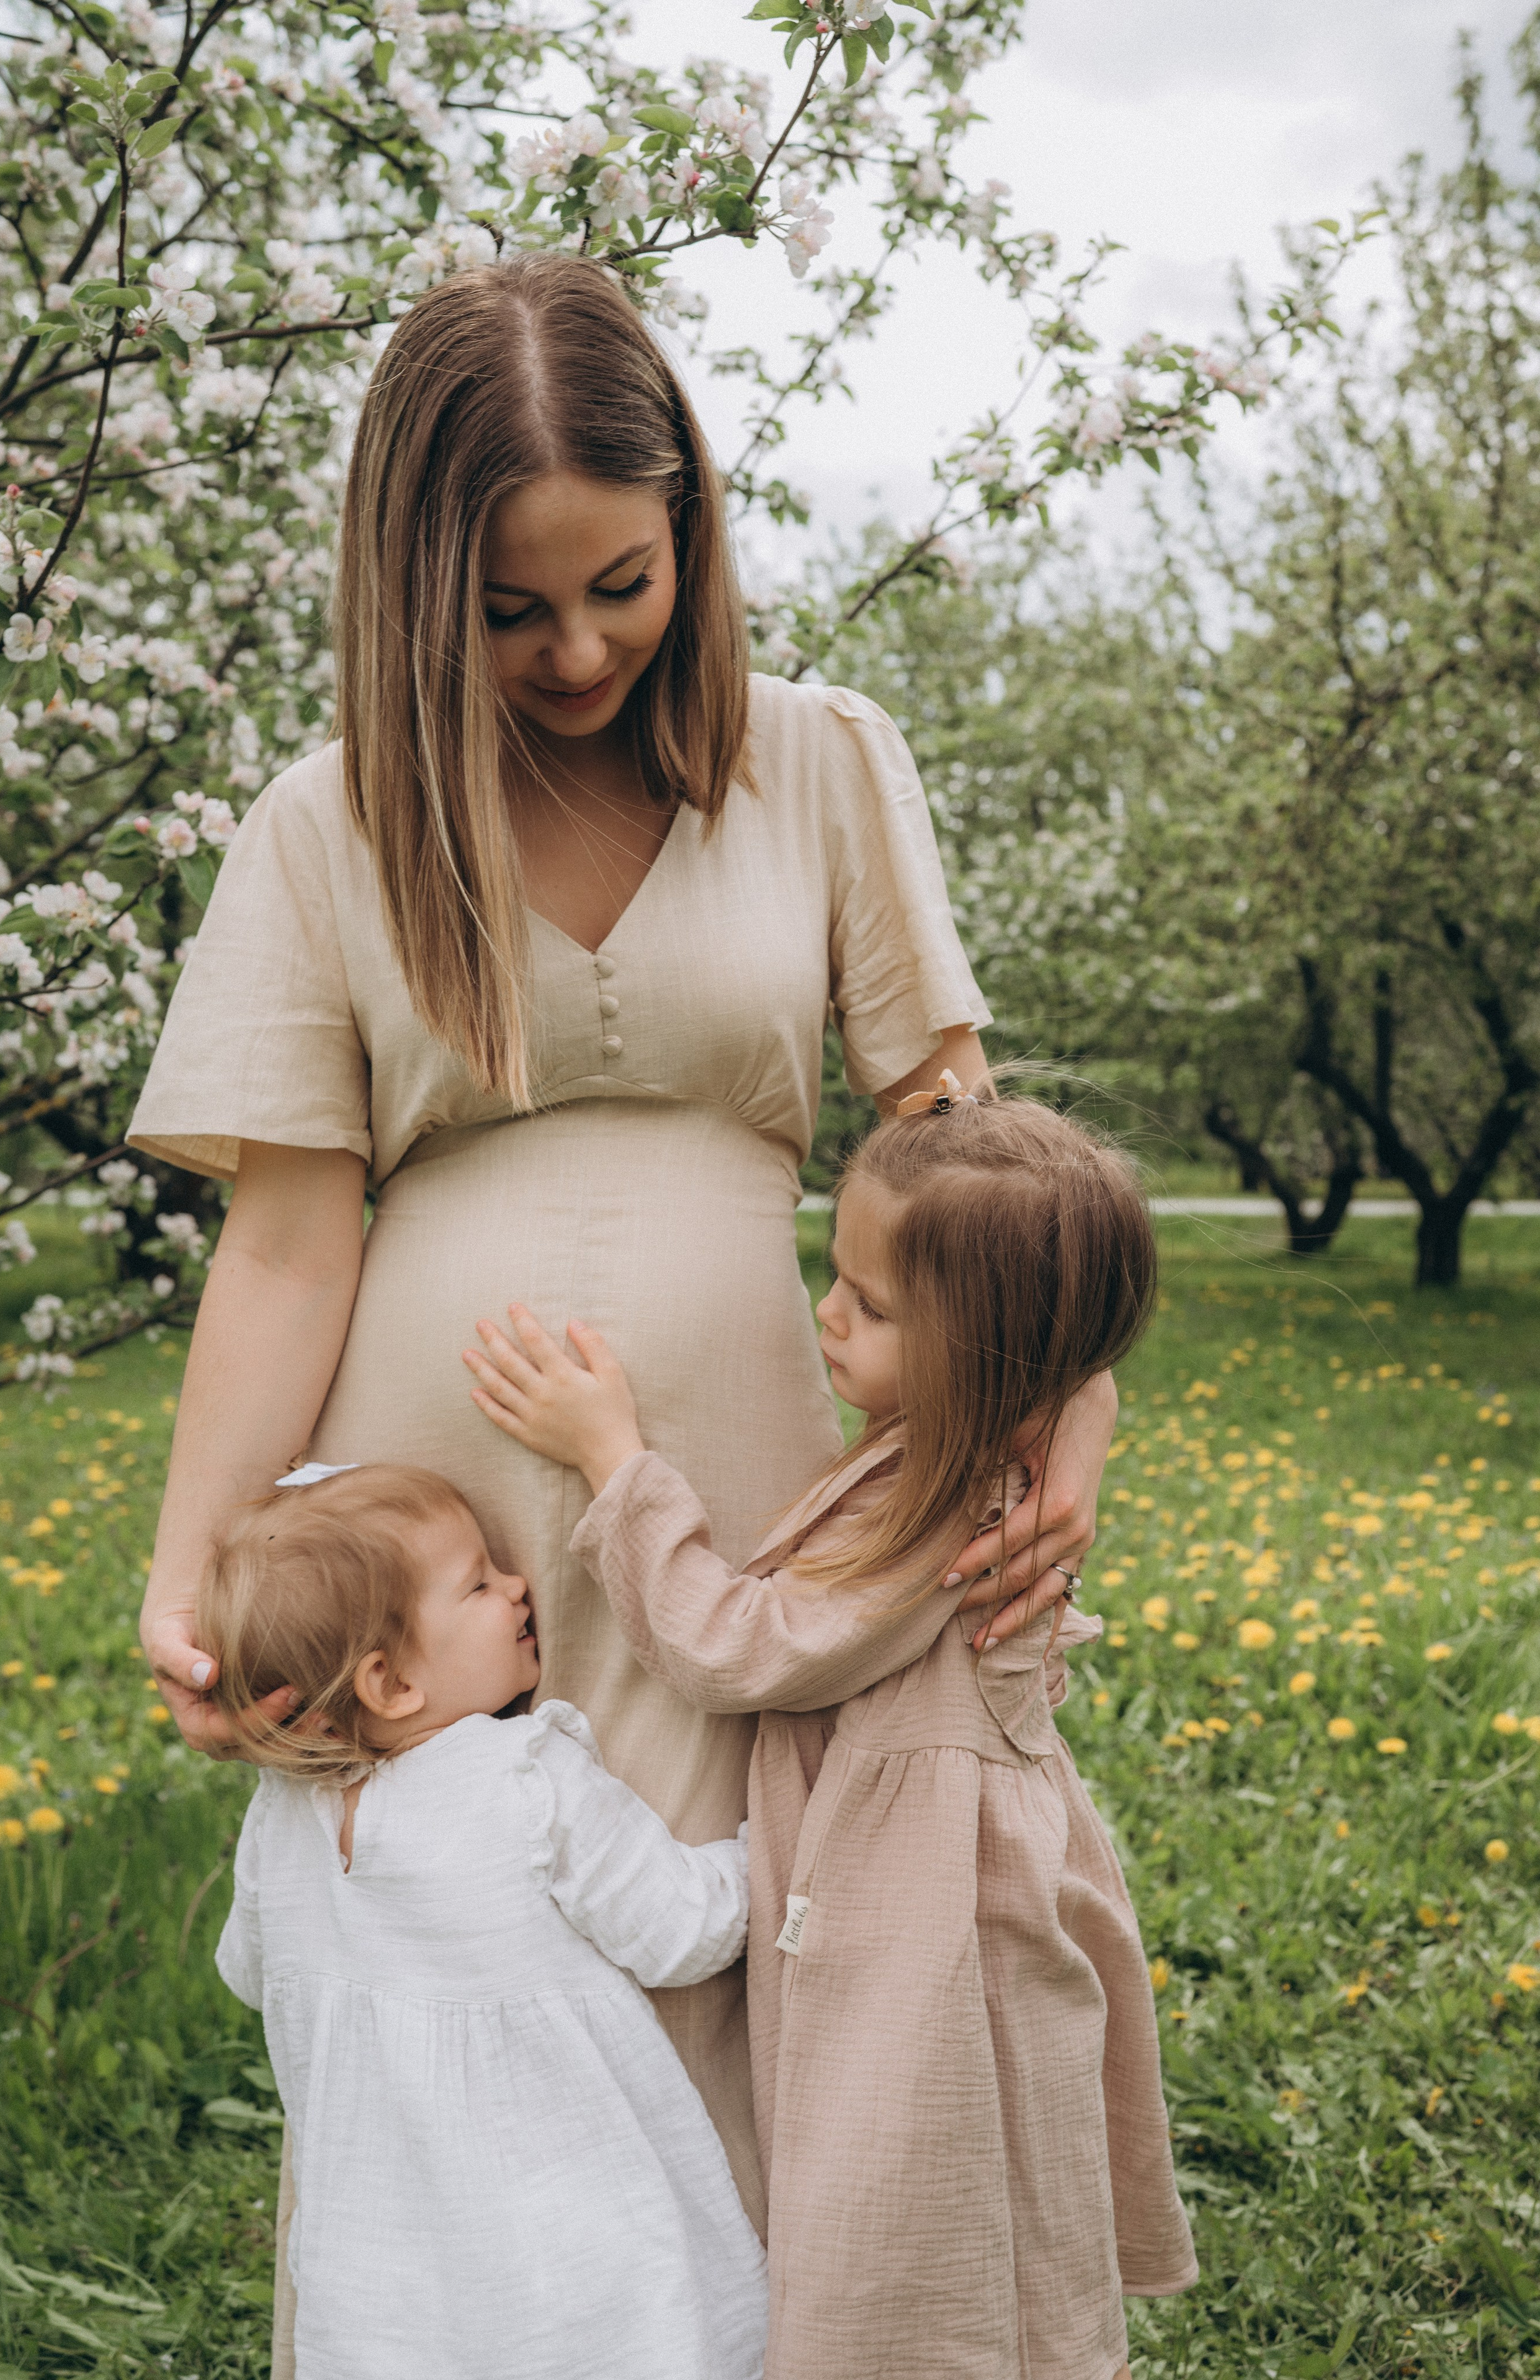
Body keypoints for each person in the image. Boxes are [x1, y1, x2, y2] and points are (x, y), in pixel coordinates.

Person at [128, 254, 1116, 2360]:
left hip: (741, 1483)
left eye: (624, 583)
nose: (575, 649)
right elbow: (291, 1240)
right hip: (425, 1519)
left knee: (750, 1938)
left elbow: (968, 1149)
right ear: (418, 587)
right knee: (470, 1968)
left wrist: (1063, 1431)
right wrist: (192, 1563)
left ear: (697, 535)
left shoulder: (827, 765)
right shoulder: (332, 826)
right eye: (510, 607)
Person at [463, 1080, 1199, 2380]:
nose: (826, 1311)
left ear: (984, 1356)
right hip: (913, 1887)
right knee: (939, 2163)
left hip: (934, 1917)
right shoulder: (946, 1451)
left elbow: (731, 1647)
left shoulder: (940, 1519)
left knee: (912, 2179)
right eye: (832, 1273)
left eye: (869, 1305)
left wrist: (617, 1463)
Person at [204, 1460, 768, 2380]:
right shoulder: (520, 1777)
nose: (517, 1587)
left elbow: (247, 1969)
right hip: (578, 2251)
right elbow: (682, 1929)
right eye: (477, 1582)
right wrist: (776, 1846)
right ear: (389, 1684)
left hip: (379, 2273)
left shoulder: (281, 1817)